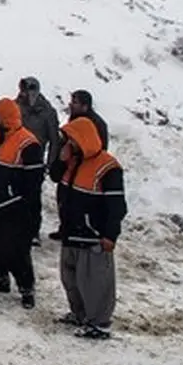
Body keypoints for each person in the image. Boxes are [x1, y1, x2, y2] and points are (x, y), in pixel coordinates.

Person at [53, 116, 127, 340]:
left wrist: (110, 234)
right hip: (71, 231)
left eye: (70, 140)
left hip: (93, 236)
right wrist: (61, 159)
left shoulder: (108, 167)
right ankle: (80, 313)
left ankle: (99, 323)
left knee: (94, 281)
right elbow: (55, 176)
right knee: (71, 278)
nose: (67, 144)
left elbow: (117, 206)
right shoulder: (73, 161)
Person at [0, 97, 45, 309]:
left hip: (16, 206)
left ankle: (27, 289)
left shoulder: (28, 143)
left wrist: (30, 212)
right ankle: (0, 279)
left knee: (17, 249)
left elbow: (34, 183)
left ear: (6, 117)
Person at [49, 89, 109, 241]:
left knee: (78, 201)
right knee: (63, 197)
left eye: (75, 102)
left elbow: (99, 148)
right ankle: (65, 228)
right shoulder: (74, 119)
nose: (70, 104)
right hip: (69, 164)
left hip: (85, 167)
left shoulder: (97, 123)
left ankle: (79, 229)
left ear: (85, 106)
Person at [17, 76, 60, 246]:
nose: (23, 93)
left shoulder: (47, 111)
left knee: (32, 198)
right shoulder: (16, 106)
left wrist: (50, 163)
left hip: (35, 161)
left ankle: (33, 231)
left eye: (25, 90)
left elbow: (54, 139)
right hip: (15, 159)